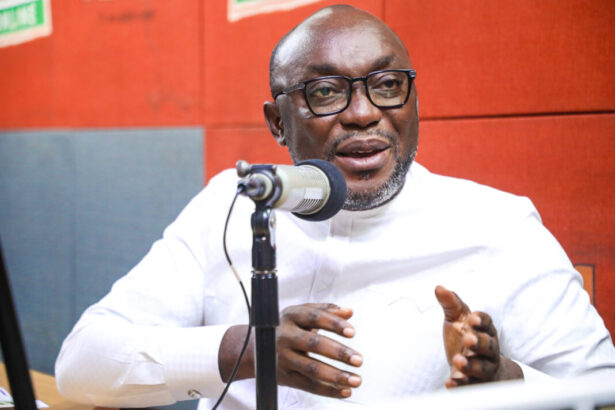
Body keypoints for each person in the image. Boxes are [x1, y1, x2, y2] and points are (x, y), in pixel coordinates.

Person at [55, 4, 615, 409]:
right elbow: (81, 365)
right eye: (325, 92)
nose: (364, 113)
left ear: (413, 100)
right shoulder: (233, 203)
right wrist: (245, 350)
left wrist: (505, 382)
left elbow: (602, 392)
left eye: (387, 84)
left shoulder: (500, 226)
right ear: (277, 122)